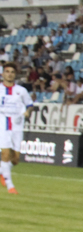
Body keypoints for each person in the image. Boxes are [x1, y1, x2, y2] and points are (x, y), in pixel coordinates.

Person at [0, 63, 33, 195]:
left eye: (12, 72)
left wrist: (28, 112)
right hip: (2, 122)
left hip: (17, 124)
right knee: (6, 154)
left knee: (15, 159)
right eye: (7, 71)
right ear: (3, 74)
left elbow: (30, 105)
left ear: (15, 74)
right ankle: (10, 186)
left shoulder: (21, 90)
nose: (10, 74)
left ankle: (2, 171)